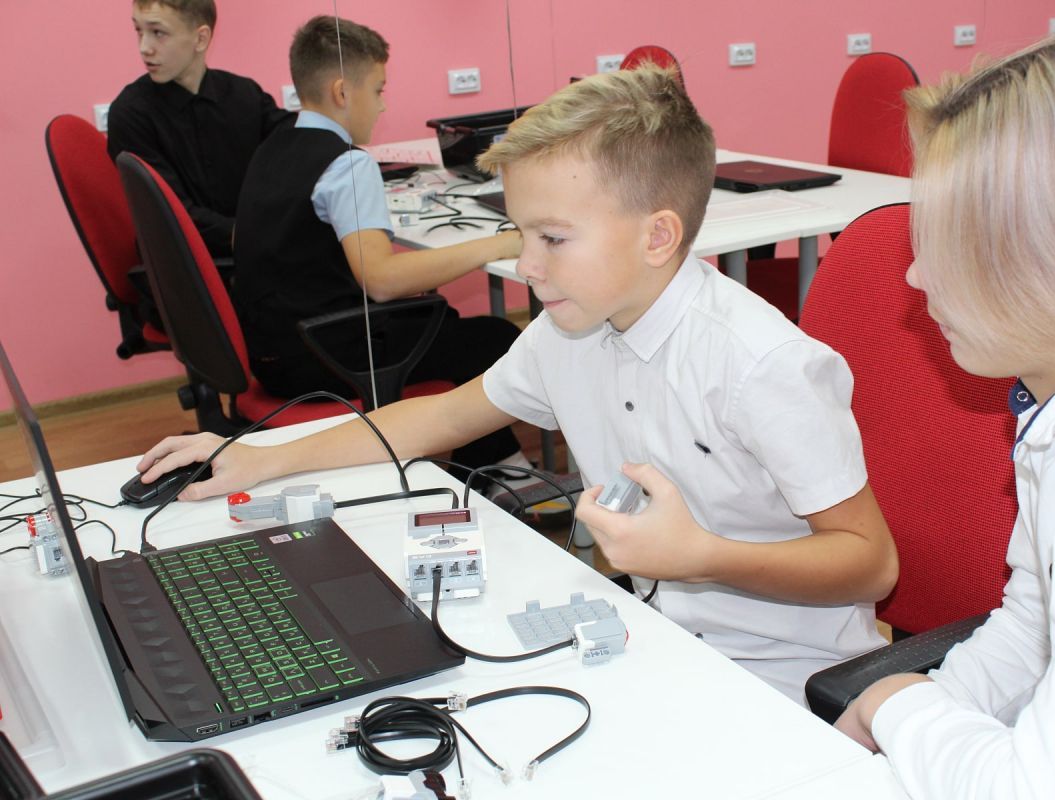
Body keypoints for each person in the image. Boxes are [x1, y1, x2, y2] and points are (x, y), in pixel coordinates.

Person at [136, 64, 898, 704]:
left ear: (658, 235)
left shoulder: (760, 363)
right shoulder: (570, 330)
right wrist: (260, 456)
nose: (526, 265)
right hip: (659, 640)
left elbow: (871, 564)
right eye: (522, 232)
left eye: (553, 238)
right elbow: (438, 419)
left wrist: (699, 555)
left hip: (788, 678)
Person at [833, 28, 1055, 798]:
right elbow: (1032, 631)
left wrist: (900, 707)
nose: (915, 275)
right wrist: (914, 711)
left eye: (943, 243)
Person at [233, 15, 527, 476]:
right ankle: (498, 471)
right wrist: (494, 245)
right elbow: (383, 282)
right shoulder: (346, 165)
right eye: (378, 90)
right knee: (495, 339)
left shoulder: (271, 147)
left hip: (276, 353)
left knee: (443, 322)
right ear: (342, 93)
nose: (383, 105)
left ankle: (495, 464)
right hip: (325, 358)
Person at [107, 0, 293, 259]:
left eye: (158, 32)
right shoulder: (130, 114)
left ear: (201, 39)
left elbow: (297, 141)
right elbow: (171, 214)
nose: (144, 48)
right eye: (139, 30)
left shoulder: (244, 94)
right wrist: (257, 237)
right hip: (187, 266)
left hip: (254, 252)